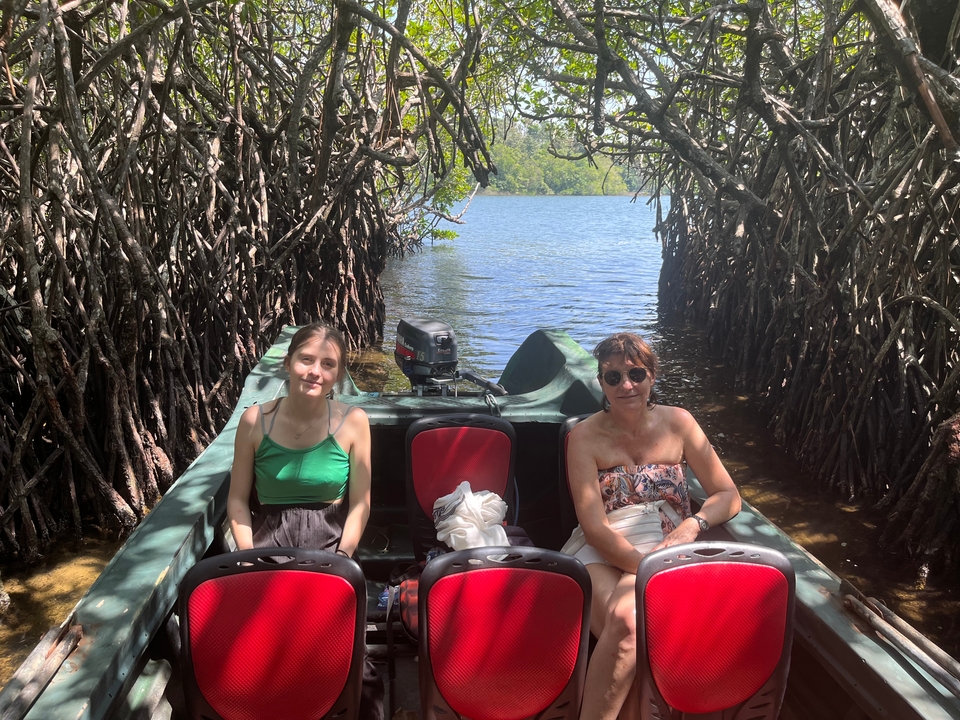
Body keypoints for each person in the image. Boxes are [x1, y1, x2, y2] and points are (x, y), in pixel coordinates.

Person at [565, 332, 741, 720]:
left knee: (630, 633)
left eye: (635, 374)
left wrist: (694, 524)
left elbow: (728, 495)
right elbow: (594, 527)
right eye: (613, 377)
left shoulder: (679, 423)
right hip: (604, 548)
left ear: (652, 377)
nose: (626, 385)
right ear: (601, 384)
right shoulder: (583, 438)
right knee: (631, 626)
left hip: (668, 543)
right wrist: (647, 568)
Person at [228, 322, 383, 720]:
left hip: (330, 542)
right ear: (288, 363)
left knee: (350, 663)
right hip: (268, 543)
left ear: (338, 374)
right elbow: (238, 500)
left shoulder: (354, 421)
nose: (315, 372)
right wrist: (248, 559)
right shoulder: (254, 422)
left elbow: (361, 503)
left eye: (328, 364)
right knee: (264, 654)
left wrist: (345, 556)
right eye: (307, 360)